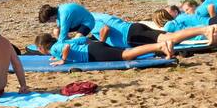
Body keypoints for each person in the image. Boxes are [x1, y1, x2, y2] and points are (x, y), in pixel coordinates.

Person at [34, 30, 179, 64]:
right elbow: (82, 40)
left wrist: (63, 60)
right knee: (127, 53)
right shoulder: (57, 46)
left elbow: (66, 48)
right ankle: (159, 47)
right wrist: (59, 56)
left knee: (127, 55)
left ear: (42, 47)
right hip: (95, 46)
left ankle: (160, 46)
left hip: (93, 53)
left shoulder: (55, 48)